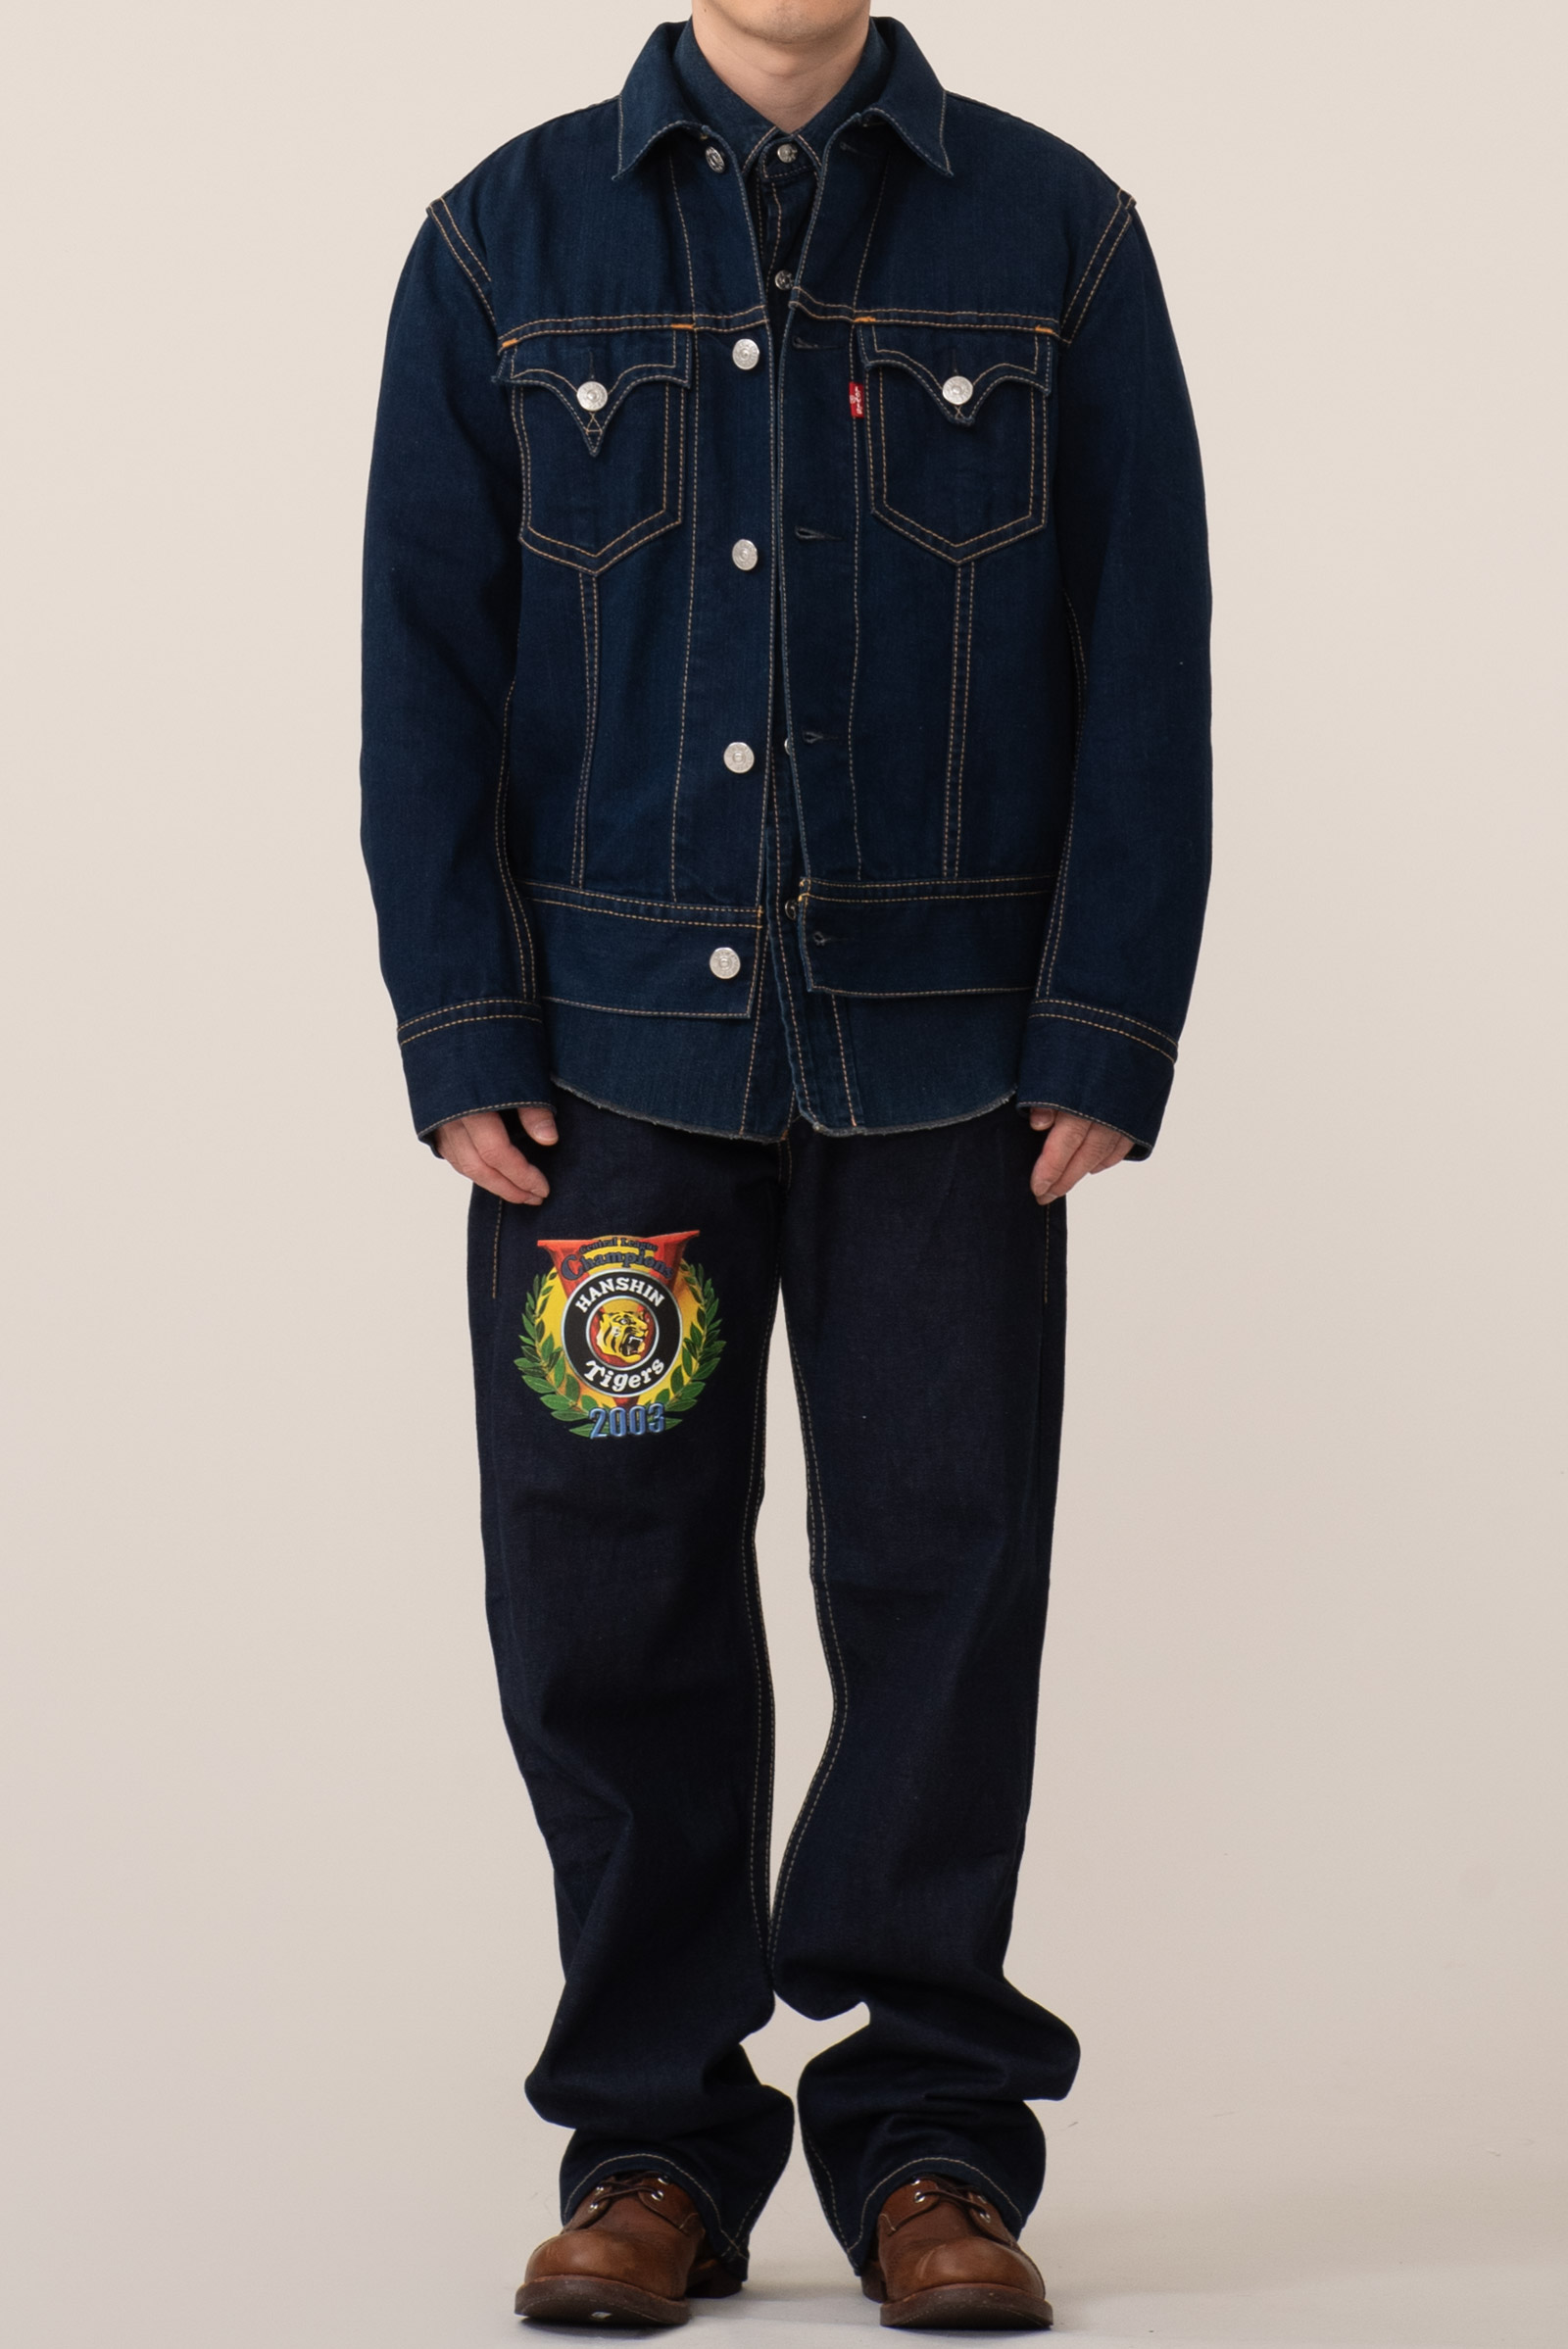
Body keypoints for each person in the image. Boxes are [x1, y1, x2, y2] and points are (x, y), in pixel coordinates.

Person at [361, 0, 1209, 2327]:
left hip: (952, 1071)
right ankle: (651, 2135)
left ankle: (931, 2133)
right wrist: (458, 1021)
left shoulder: (1054, 237)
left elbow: (1143, 643)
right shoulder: (501, 243)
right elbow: (423, 660)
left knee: (942, 1572)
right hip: (602, 1083)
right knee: (604, 1592)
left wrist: (1104, 1018)